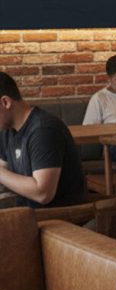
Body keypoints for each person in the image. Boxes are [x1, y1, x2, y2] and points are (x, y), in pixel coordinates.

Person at [0, 72, 86, 208]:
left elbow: (43, 193)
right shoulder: (8, 130)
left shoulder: (44, 129)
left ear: (5, 102)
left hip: (61, 217)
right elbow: (3, 172)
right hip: (27, 213)